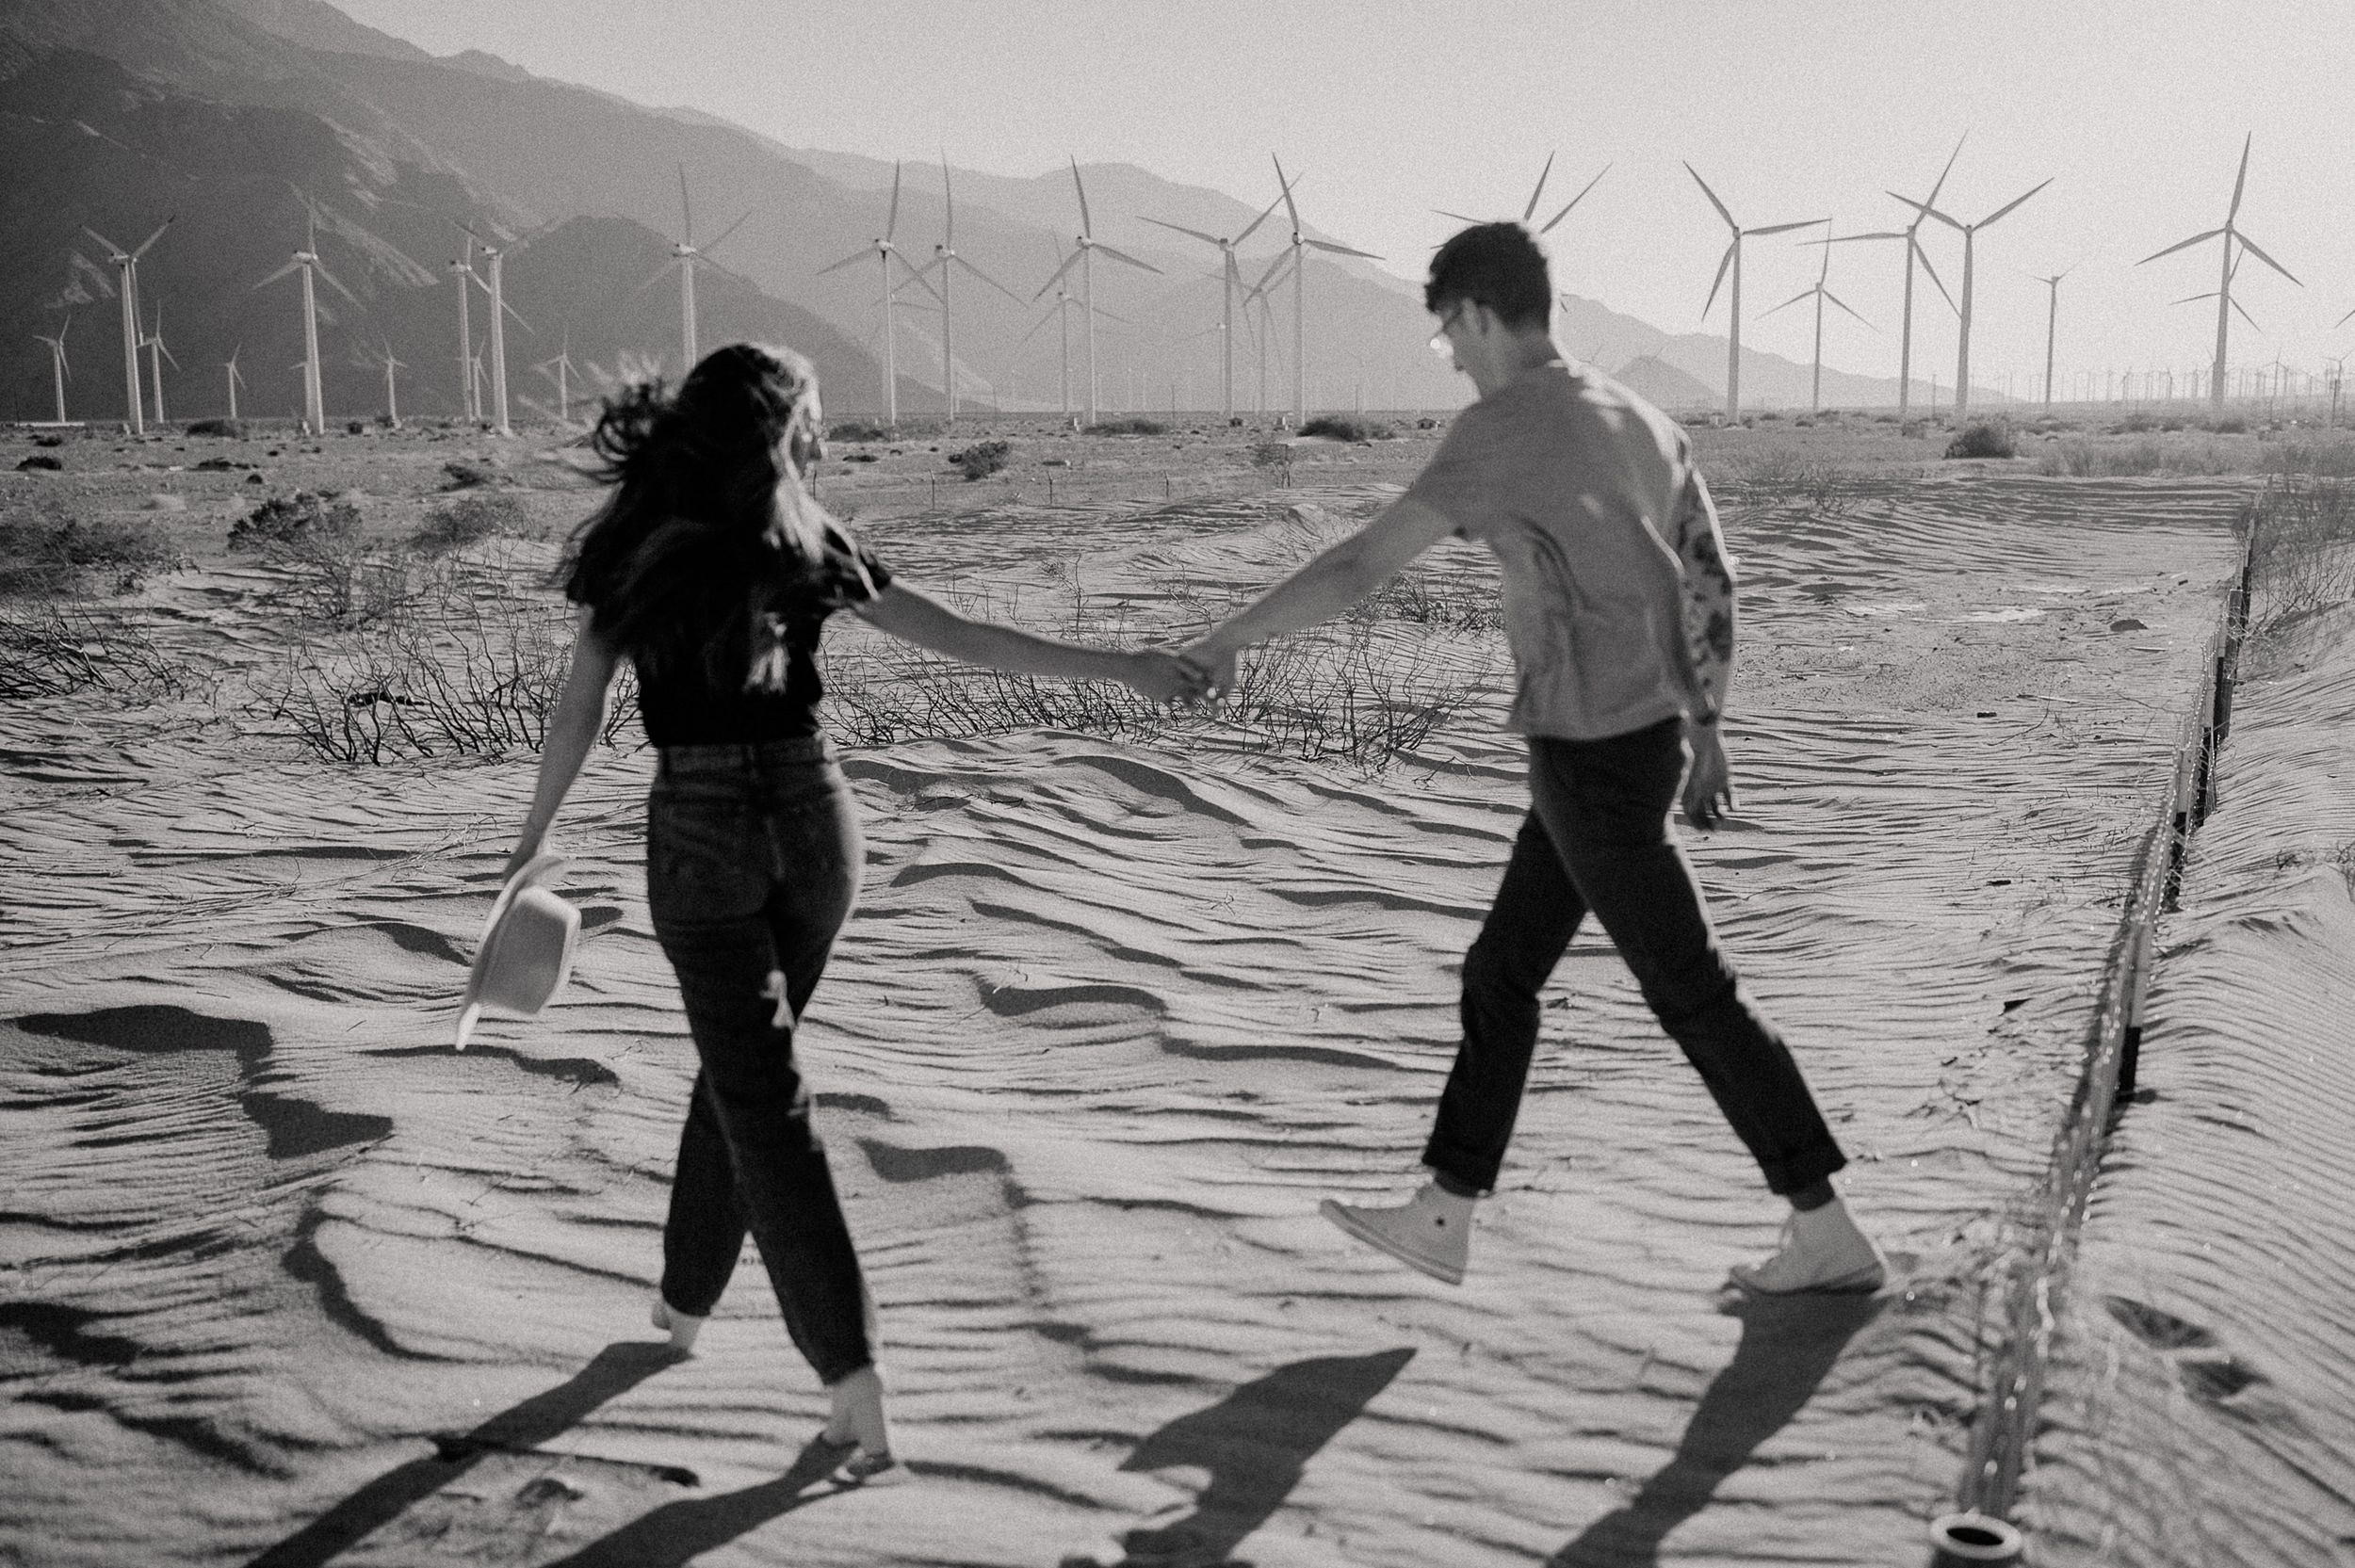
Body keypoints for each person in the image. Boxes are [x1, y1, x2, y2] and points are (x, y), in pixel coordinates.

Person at [497, 342, 1194, 1480]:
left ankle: (851, 1379)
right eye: (814, 420)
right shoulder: (806, 537)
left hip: (703, 834)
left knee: (759, 1089)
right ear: (776, 433)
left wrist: (532, 834)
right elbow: (967, 639)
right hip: (818, 829)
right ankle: (681, 1307)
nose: (827, 439)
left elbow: (581, 702)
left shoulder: (642, 544)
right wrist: (1122, 667)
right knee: (746, 1074)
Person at [1179, 224, 1883, 1296]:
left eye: (1445, 337)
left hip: (1589, 758)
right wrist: (1703, 722)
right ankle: (1446, 1212)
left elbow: (1364, 565)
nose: (1451, 359)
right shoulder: (1638, 418)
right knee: (1501, 974)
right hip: (1631, 743)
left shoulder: (1501, 429)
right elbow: (1710, 577)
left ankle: (1823, 1225)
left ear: (1474, 314)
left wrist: (1228, 636)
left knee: (1692, 990)